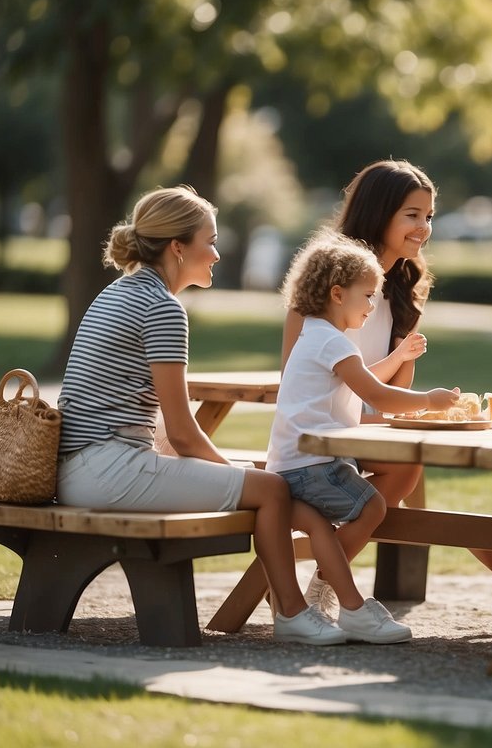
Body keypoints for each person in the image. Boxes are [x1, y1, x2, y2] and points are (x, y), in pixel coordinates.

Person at [55, 185, 346, 646]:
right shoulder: (163, 308)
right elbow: (184, 434)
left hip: (77, 467)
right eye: (209, 240)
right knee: (271, 488)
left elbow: (168, 432)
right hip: (106, 468)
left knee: (258, 479)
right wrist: (237, 474)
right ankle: (293, 614)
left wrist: (232, 473)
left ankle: (291, 609)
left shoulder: (120, 291)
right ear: (177, 246)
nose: (216, 252)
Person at [282, 159, 492, 616]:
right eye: (412, 214)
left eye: (429, 217)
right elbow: (295, 375)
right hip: (317, 430)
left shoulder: (405, 288)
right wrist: (382, 418)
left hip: (369, 426)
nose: (424, 228)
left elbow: (396, 392)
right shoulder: (327, 283)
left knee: (404, 474)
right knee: (399, 484)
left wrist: (404, 408)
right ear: (378, 211)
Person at [268, 230, 461, 644]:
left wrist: (399, 358)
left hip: (297, 462)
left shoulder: (319, 337)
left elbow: (359, 389)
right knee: (371, 505)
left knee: (343, 519)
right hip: (309, 465)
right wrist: (429, 400)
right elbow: (376, 395)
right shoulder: (330, 340)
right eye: (369, 296)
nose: (374, 306)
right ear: (338, 294)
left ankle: (343, 603)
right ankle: (351, 606)